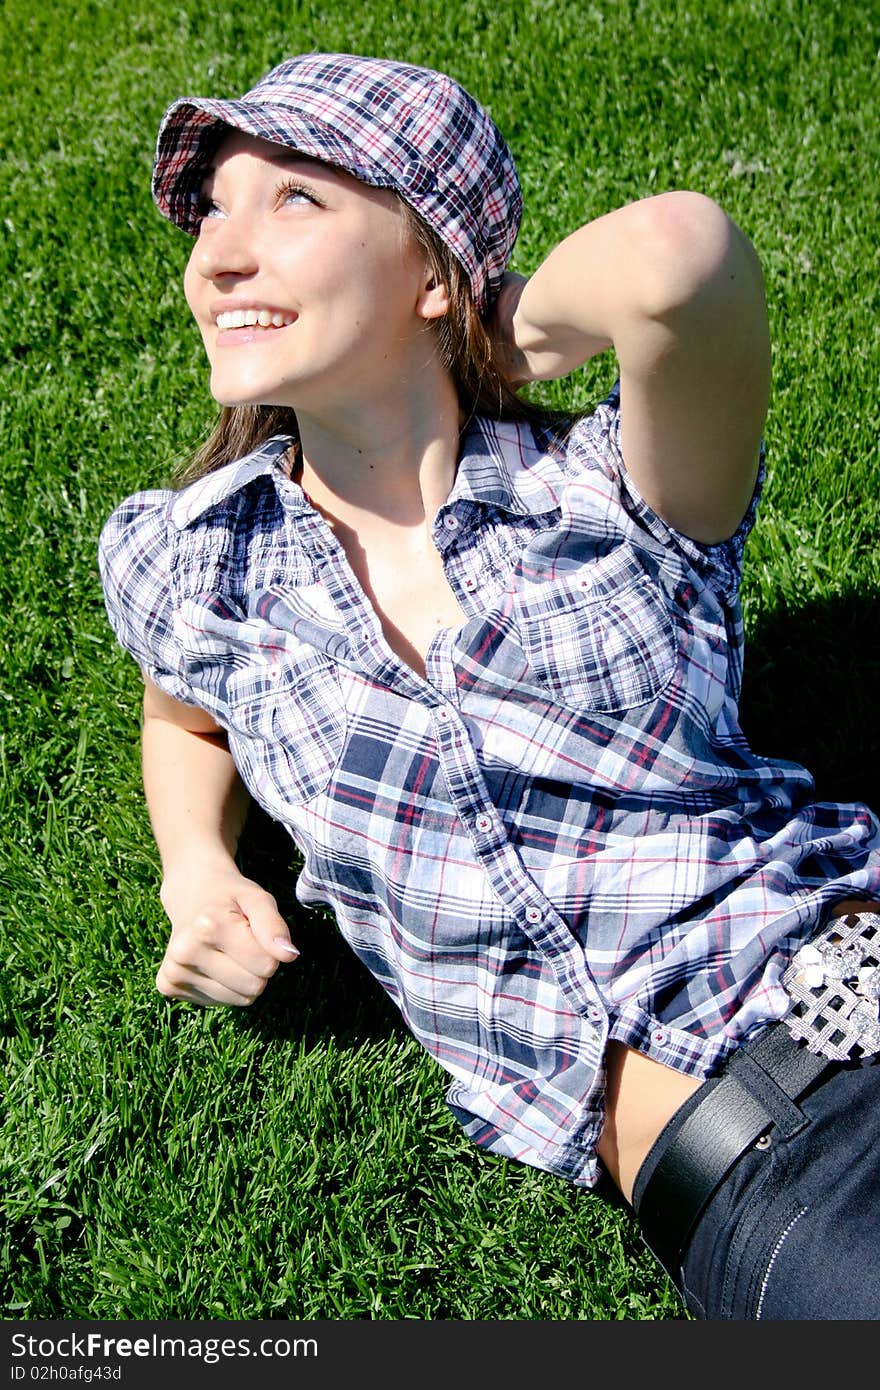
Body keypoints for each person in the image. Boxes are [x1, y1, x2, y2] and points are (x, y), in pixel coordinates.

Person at [98, 53, 880, 1320]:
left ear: (430, 270)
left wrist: (501, 327)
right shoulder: (196, 565)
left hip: (837, 970)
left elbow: (679, 257)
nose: (219, 255)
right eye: (212, 213)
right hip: (762, 1185)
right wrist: (195, 861)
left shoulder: (609, 500)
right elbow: (181, 708)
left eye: (295, 199)